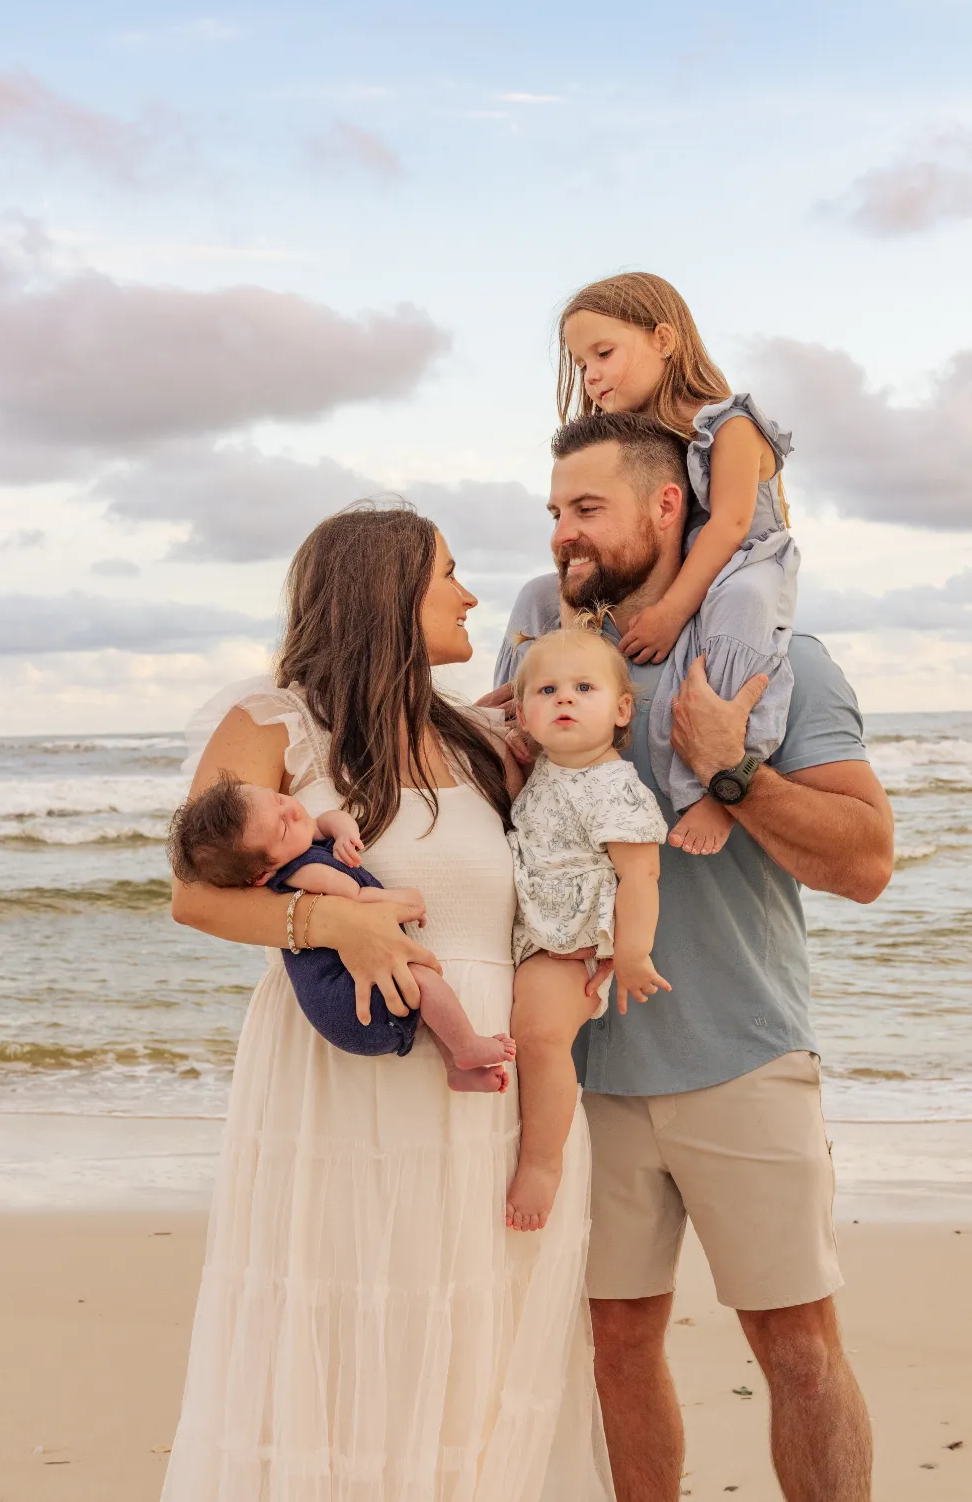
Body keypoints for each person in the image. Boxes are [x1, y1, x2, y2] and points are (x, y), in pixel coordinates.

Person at [162, 505, 615, 1502]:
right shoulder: (274, 720)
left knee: (476, 1358)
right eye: (447, 574)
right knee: (358, 1335)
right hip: (350, 1094)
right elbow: (194, 891)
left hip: (490, 1095)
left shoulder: (476, 740)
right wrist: (333, 928)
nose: (469, 595)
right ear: (387, 593)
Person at [490, 412, 894, 1502]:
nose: (562, 537)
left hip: (743, 1058)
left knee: (798, 1351)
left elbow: (865, 864)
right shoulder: (538, 666)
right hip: (582, 1080)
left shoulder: (777, 660)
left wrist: (731, 776)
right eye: (554, 516)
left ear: (667, 507)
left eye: (586, 511)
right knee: (614, 1347)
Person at [558, 271, 799, 856]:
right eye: (581, 363)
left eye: (604, 353)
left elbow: (731, 526)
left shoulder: (731, 425)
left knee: (740, 609)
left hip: (748, 564)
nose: (591, 375)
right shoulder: (655, 439)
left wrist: (669, 611)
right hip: (702, 569)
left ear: (665, 339)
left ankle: (721, 788)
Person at [167, 774, 516, 1091]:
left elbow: (324, 821)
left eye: (278, 799)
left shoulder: (299, 840)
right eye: (282, 827)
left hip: (344, 996)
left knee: (421, 995)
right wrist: (405, 901)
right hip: (347, 1008)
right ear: (261, 874)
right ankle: (467, 1046)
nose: (291, 812)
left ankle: (458, 1070)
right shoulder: (304, 872)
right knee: (423, 982)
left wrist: (344, 830)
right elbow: (356, 898)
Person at [504, 621, 669, 1231]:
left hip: (569, 944)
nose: (564, 699)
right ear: (522, 714)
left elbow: (641, 876)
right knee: (523, 1040)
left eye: (583, 688)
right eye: (546, 692)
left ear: (622, 709)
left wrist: (632, 954)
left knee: (541, 1040)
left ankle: (543, 1164)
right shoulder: (548, 772)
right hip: (535, 934)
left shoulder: (613, 786)